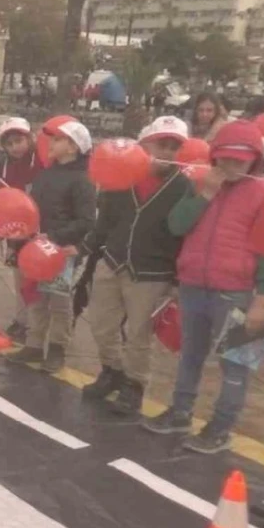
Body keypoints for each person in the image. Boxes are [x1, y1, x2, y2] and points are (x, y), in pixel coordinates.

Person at [143, 120, 264, 454]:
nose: (232, 166)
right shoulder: (200, 184)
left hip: (237, 292)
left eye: (240, 159)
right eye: (225, 158)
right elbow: (177, 225)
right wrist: (205, 194)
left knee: (235, 364)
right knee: (190, 356)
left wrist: (262, 299)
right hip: (194, 287)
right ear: (214, 156)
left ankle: (221, 427)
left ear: (254, 159)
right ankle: (180, 412)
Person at [79, 116, 192, 416]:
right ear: (145, 144)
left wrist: (178, 280)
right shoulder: (123, 175)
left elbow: (186, 235)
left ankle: (134, 385)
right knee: (101, 323)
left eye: (173, 146)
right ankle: (111, 370)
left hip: (152, 272)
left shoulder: (183, 187)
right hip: (113, 260)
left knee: (139, 334)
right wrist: (84, 248)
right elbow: (105, 221)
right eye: (161, 144)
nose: (167, 151)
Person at [6, 119, 96, 373]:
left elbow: (86, 220)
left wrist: (54, 237)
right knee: (36, 298)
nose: (51, 143)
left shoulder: (82, 180)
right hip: (36, 248)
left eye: (58, 140)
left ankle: (57, 349)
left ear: (73, 147)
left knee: (59, 303)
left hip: (62, 251)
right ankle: (34, 344)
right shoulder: (47, 174)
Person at [0, 117, 44, 342]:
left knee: (37, 281)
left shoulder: (41, 162)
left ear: (29, 139)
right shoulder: (3, 165)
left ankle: (37, 326)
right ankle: (22, 320)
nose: (16, 147)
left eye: (20, 140)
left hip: (40, 232)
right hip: (15, 233)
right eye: (10, 143)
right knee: (19, 278)